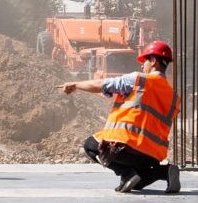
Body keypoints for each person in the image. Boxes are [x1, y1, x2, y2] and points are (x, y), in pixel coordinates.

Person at [59, 40, 179, 193]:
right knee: (136, 183)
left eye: (145, 61)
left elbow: (101, 84)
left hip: (127, 148)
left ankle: (125, 172)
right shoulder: (173, 96)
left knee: (90, 145)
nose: (142, 66)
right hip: (152, 157)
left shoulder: (139, 80)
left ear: (154, 61)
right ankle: (164, 171)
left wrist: (75, 85)